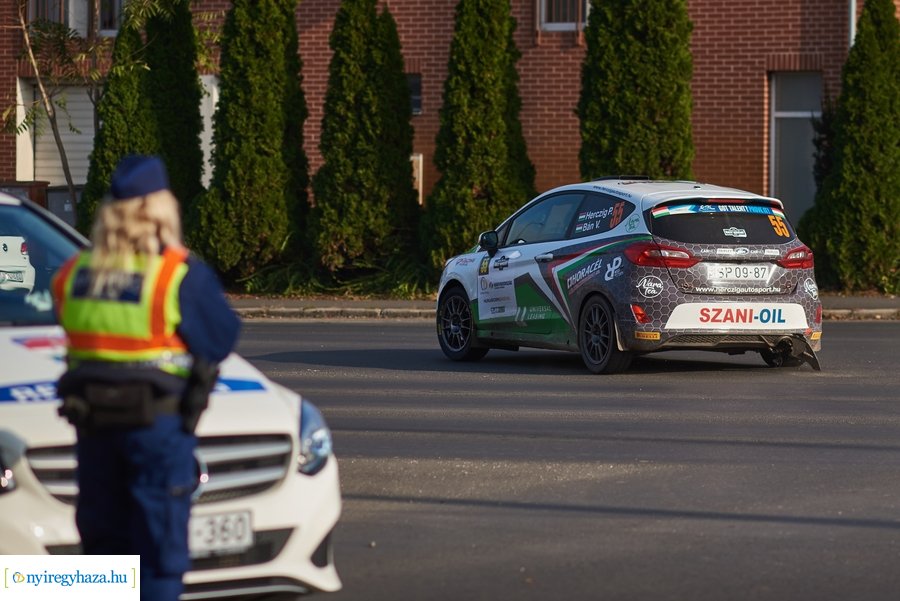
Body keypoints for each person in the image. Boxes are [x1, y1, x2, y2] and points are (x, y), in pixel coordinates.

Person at [51, 155, 240, 601]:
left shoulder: (73, 274)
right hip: (156, 431)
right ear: (161, 209)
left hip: (94, 428)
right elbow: (220, 338)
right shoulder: (177, 274)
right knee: (157, 559)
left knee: (104, 555)